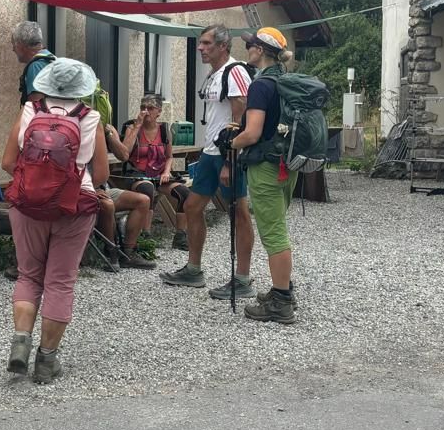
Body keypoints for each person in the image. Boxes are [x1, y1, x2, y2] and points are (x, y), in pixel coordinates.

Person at [2, 58, 105, 384]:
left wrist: (38, 185)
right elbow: (102, 173)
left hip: (28, 205)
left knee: (29, 275)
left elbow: (8, 162)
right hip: (74, 207)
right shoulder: (91, 118)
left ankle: (21, 343)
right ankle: (46, 361)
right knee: (60, 281)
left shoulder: (30, 111)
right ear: (81, 88)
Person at [162, 25, 257, 300]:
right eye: (200, 43)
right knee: (192, 206)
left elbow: (240, 115)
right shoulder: (215, 73)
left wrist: (229, 160)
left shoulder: (234, 71)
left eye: (206, 43)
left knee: (239, 213)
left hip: (228, 154)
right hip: (211, 151)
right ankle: (193, 270)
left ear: (223, 46)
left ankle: (242, 279)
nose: (200, 48)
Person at [222, 27, 299, 324]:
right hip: (287, 164)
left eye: (250, 45)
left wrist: (232, 142)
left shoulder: (261, 85)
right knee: (278, 227)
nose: (247, 50)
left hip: (266, 167)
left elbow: (252, 133)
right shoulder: (286, 81)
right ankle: (283, 290)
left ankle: (281, 302)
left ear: (260, 51)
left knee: (273, 233)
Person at [102, 93, 178, 269]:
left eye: (150, 108)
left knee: (183, 193)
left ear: (159, 111)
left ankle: (181, 237)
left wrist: (167, 171)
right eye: (143, 108)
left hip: (159, 173)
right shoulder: (132, 127)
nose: (145, 111)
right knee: (146, 189)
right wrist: (137, 126)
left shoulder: (164, 130)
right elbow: (124, 154)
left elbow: (169, 156)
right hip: (136, 174)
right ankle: (145, 234)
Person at [12, 20, 57, 105]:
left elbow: (36, 107)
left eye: (13, 44)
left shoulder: (35, 67)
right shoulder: (51, 59)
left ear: (21, 45)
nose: (13, 49)